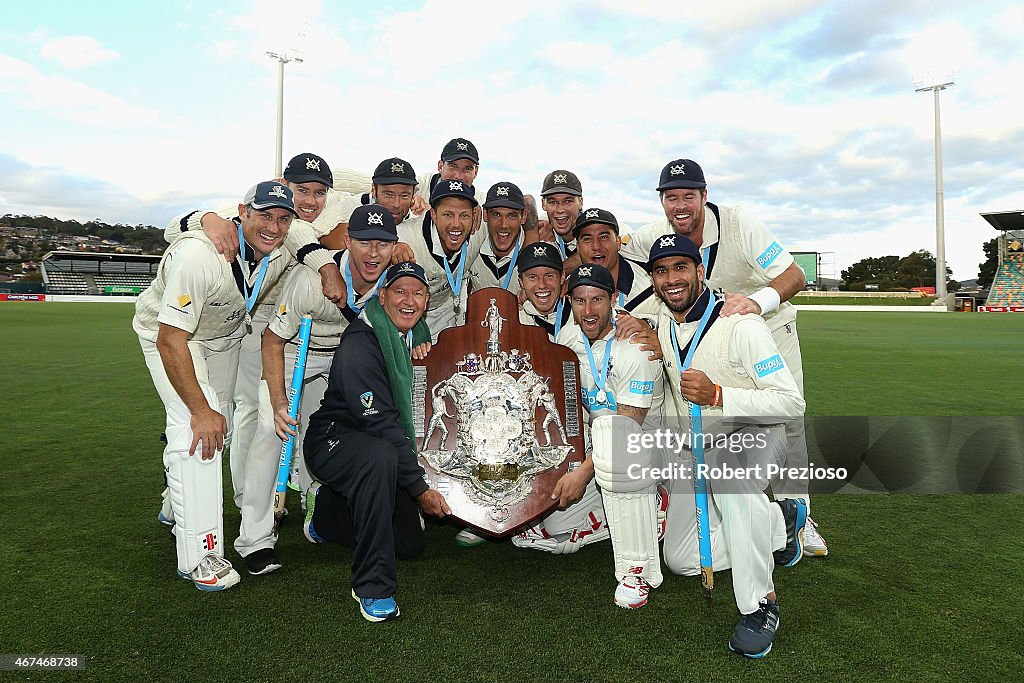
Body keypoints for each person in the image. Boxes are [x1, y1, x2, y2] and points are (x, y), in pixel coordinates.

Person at [596, 233, 805, 657]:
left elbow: (790, 401)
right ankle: (778, 523)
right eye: (660, 271)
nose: (671, 279)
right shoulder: (665, 319)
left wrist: (718, 395)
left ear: (700, 271)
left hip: (753, 434)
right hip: (699, 447)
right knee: (682, 560)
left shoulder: (742, 325)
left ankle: (760, 604)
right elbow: (612, 309)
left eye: (680, 267)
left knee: (733, 483)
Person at [618, 159, 828, 556]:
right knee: (716, 415)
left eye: (688, 196)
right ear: (662, 200)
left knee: (786, 417)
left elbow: (795, 274)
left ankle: (798, 512)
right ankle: (735, 503)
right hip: (708, 335)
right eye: (671, 197)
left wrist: (755, 302)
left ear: (704, 196)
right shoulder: (657, 232)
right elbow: (615, 245)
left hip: (765, 328)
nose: (680, 205)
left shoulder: (739, 221)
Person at [161, 153, 348, 516]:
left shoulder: (324, 211)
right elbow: (172, 230)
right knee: (248, 409)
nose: (310, 201)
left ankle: (301, 489)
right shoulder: (261, 208)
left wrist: (419, 194)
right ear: (283, 185)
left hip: (297, 318)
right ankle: (248, 500)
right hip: (251, 318)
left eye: (319, 192)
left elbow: (366, 201)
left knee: (305, 409)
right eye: (301, 190)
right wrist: (206, 218)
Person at [134, 181, 297, 590]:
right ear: (242, 212)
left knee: (217, 426)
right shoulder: (199, 255)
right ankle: (200, 557)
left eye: (283, 219)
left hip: (222, 339)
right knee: (201, 431)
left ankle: (175, 503)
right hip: (171, 338)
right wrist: (200, 410)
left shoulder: (278, 249)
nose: (273, 227)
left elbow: (322, 241)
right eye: (264, 216)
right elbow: (171, 338)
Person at [234, 205, 402, 575]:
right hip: (296, 352)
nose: (373, 253)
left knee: (345, 432)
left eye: (383, 244)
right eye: (364, 243)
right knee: (270, 431)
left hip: (344, 359)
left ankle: (322, 506)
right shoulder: (310, 281)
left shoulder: (391, 280)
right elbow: (272, 340)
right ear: (347, 242)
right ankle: (255, 539)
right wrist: (278, 401)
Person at [302, 261, 450, 622]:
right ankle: (372, 585)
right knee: (380, 456)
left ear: (427, 301)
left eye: (418, 293)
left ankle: (327, 514)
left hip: (377, 447)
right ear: (381, 296)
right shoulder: (361, 342)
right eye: (400, 291)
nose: (409, 300)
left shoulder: (408, 333)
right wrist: (419, 489)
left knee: (409, 544)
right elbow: (383, 426)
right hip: (333, 441)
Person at [511, 264, 663, 555]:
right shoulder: (568, 339)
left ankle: (653, 503)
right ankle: (624, 509)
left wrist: (581, 474)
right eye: (580, 300)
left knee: (615, 458)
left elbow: (627, 430)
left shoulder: (635, 347)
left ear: (614, 298)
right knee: (556, 525)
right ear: (570, 301)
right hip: (600, 440)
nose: (589, 310)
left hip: (644, 442)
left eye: (597, 299)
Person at [397, 178, 483, 340]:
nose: (456, 224)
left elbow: (514, 219)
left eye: (464, 215)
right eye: (448, 215)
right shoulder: (405, 238)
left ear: (474, 215)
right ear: (433, 214)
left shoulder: (479, 230)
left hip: (447, 312)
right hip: (406, 318)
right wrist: (389, 246)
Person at [574, 207, 659, 316]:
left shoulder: (651, 282)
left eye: (604, 237)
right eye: (587, 239)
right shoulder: (570, 291)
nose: (596, 246)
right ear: (578, 247)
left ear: (618, 242)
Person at [468, 182, 531, 294]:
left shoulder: (539, 250)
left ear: (523, 216)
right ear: (485, 215)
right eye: (496, 215)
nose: (503, 225)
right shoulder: (471, 246)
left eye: (511, 215)